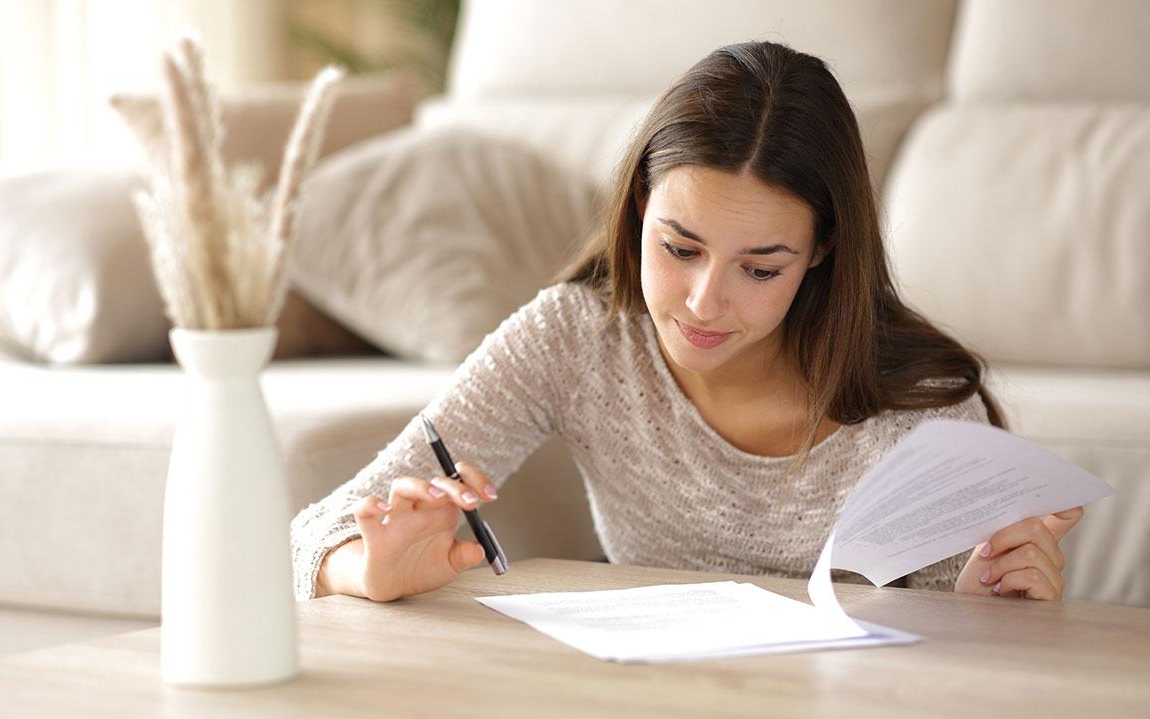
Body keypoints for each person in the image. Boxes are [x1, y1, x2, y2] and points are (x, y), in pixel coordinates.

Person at [291, 40, 1082, 605]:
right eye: (679, 247)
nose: (705, 302)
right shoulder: (577, 337)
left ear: (822, 253)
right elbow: (312, 535)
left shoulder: (921, 410)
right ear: (639, 209)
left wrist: (995, 605)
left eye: (760, 268)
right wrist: (367, 569)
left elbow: (965, 658)